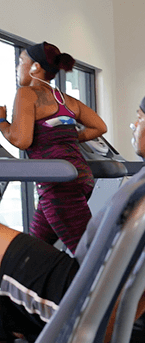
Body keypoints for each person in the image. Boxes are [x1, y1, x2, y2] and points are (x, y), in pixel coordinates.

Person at [0, 86, 145, 343]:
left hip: (79, 294)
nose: (134, 126)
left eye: (139, 118)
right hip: (86, 281)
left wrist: (92, 342)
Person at [0, 42, 107, 253]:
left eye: (21, 61)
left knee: (91, 258)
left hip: (59, 185)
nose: (17, 67)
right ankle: (36, 284)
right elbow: (99, 126)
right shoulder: (65, 99)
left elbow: (22, 140)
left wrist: (2, 122)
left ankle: (120, 286)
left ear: (35, 67)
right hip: (78, 177)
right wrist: (66, 139)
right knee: (32, 250)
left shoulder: (27, 94)